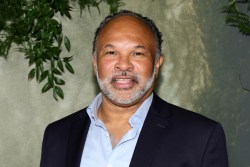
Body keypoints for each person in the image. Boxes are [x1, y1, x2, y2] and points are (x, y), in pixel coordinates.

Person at [40, 10, 228, 167]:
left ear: (156, 64)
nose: (123, 65)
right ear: (95, 63)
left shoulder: (201, 137)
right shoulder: (58, 135)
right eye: (111, 52)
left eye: (137, 53)